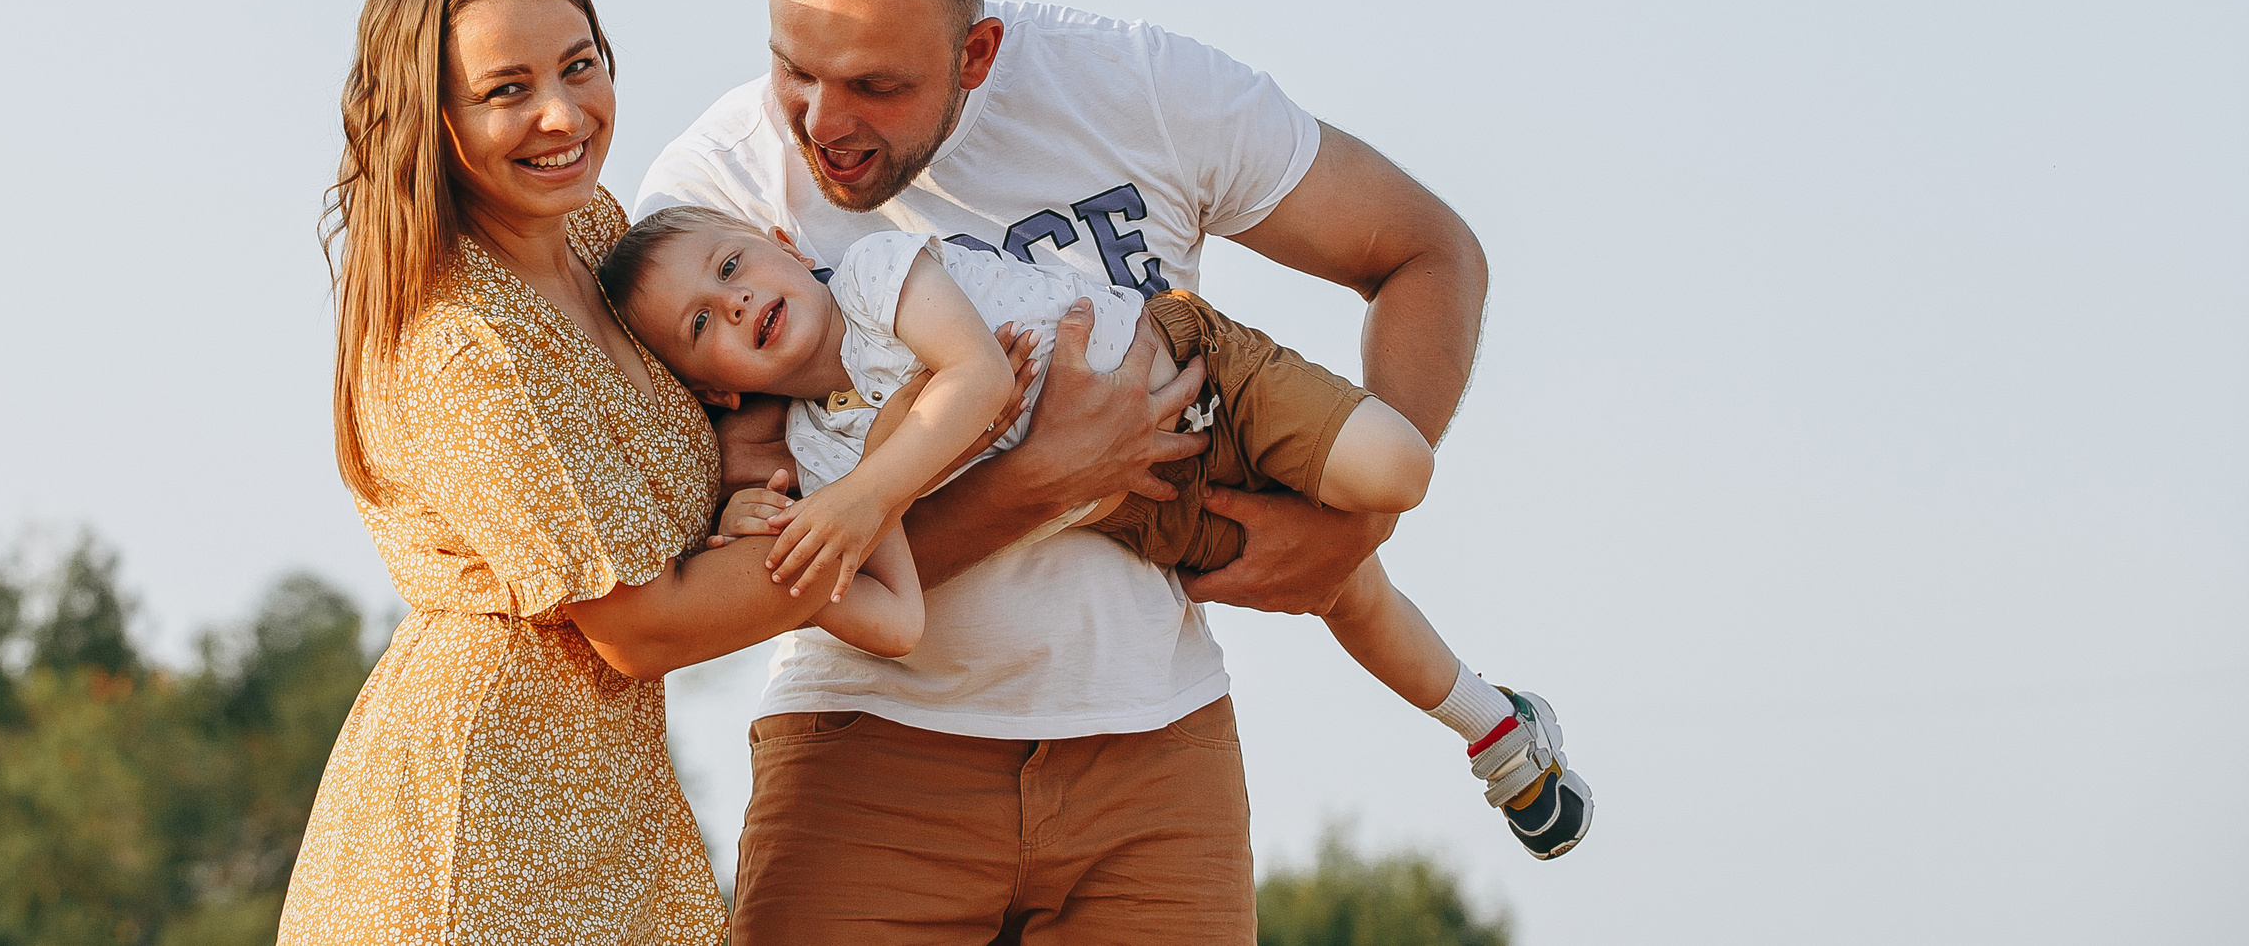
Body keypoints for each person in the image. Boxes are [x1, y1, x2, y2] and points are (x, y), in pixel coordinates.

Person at [634, 0, 1500, 942]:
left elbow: (1427, 251)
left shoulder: (1139, 88)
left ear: (976, 52)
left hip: (1153, 749)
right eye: (793, 70)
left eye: (878, 86)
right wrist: (1032, 483)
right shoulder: (706, 222)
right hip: (865, 752)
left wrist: (1353, 528)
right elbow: (721, 587)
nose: (824, 123)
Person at [280, 0, 923, 946]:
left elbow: (729, 395)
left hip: (606, 802)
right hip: (481, 826)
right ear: (431, 116)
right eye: (506, 90)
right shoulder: (465, 346)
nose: (562, 115)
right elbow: (644, 625)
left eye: (580, 66)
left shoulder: (590, 236)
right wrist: (894, 485)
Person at [599, 210, 1592, 859]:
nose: (732, 299)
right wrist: (774, 539)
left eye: (731, 265)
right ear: (719, 387)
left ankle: (1491, 713)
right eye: (700, 324)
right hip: (1142, 499)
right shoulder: (819, 463)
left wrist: (863, 498)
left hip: (1192, 368)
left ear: (774, 237)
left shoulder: (873, 276)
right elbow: (895, 617)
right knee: (1348, 590)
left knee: (1394, 473)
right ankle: (1496, 728)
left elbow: (978, 380)